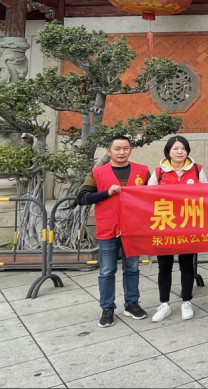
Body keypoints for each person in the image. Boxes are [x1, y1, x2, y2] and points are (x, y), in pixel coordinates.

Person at [76, 135, 149, 328]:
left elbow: (153, 196)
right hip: (108, 228)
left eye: (125, 148)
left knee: (132, 268)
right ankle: (107, 308)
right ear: (109, 151)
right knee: (107, 271)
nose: (122, 152)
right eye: (117, 149)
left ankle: (132, 303)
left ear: (131, 149)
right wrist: (106, 193)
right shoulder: (97, 173)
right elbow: (82, 198)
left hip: (133, 229)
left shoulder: (142, 171)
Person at [147, 135, 204, 323]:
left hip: (188, 225)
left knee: (187, 265)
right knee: (164, 266)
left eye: (183, 148)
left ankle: (186, 301)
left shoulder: (197, 170)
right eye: (175, 148)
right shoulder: (158, 173)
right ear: (168, 151)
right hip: (165, 226)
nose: (180, 152)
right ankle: (164, 304)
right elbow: (147, 198)